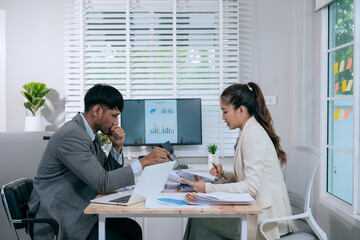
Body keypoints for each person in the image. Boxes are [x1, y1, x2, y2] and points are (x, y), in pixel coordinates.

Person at [28, 84, 172, 240]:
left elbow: (106, 173)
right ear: (97, 110)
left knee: (132, 229)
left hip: (79, 210)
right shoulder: (72, 135)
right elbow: (102, 183)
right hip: (62, 218)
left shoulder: (90, 134)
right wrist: (144, 162)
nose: (117, 122)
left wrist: (117, 146)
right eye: (114, 115)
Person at [183, 82, 293, 240]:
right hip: (258, 211)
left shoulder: (253, 135)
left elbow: (251, 188)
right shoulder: (248, 131)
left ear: (241, 110)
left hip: (266, 221)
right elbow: (250, 178)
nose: (222, 117)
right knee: (198, 219)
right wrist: (225, 175)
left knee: (199, 222)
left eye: (225, 111)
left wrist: (207, 188)